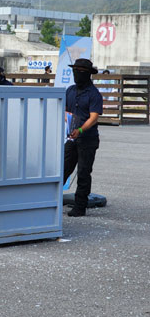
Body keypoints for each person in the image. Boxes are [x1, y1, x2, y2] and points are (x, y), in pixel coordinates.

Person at [63, 58, 103, 217]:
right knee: (63, 169)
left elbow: (94, 117)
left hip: (88, 139)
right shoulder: (70, 90)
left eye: (80, 72)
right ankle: (52, 200)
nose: (77, 74)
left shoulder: (94, 94)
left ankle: (80, 206)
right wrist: (68, 122)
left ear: (88, 74)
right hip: (72, 137)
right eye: (75, 71)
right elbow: (65, 109)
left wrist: (80, 129)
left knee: (83, 172)